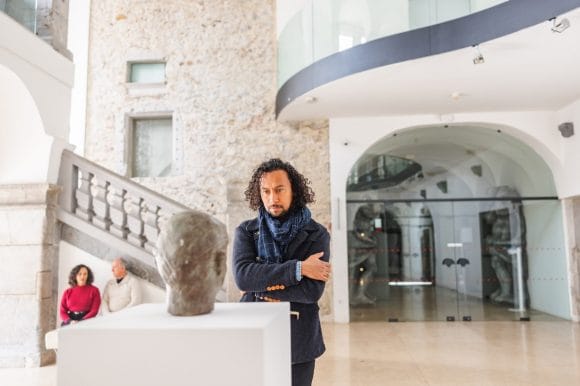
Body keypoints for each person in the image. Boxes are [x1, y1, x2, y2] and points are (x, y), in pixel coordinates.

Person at [233, 158, 331, 386]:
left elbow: (311, 291)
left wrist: (261, 288)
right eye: (265, 191)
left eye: (279, 190)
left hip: (299, 338)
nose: (272, 198)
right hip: (254, 332)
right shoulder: (246, 232)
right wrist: (300, 268)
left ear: (293, 190)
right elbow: (243, 276)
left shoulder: (316, 234)